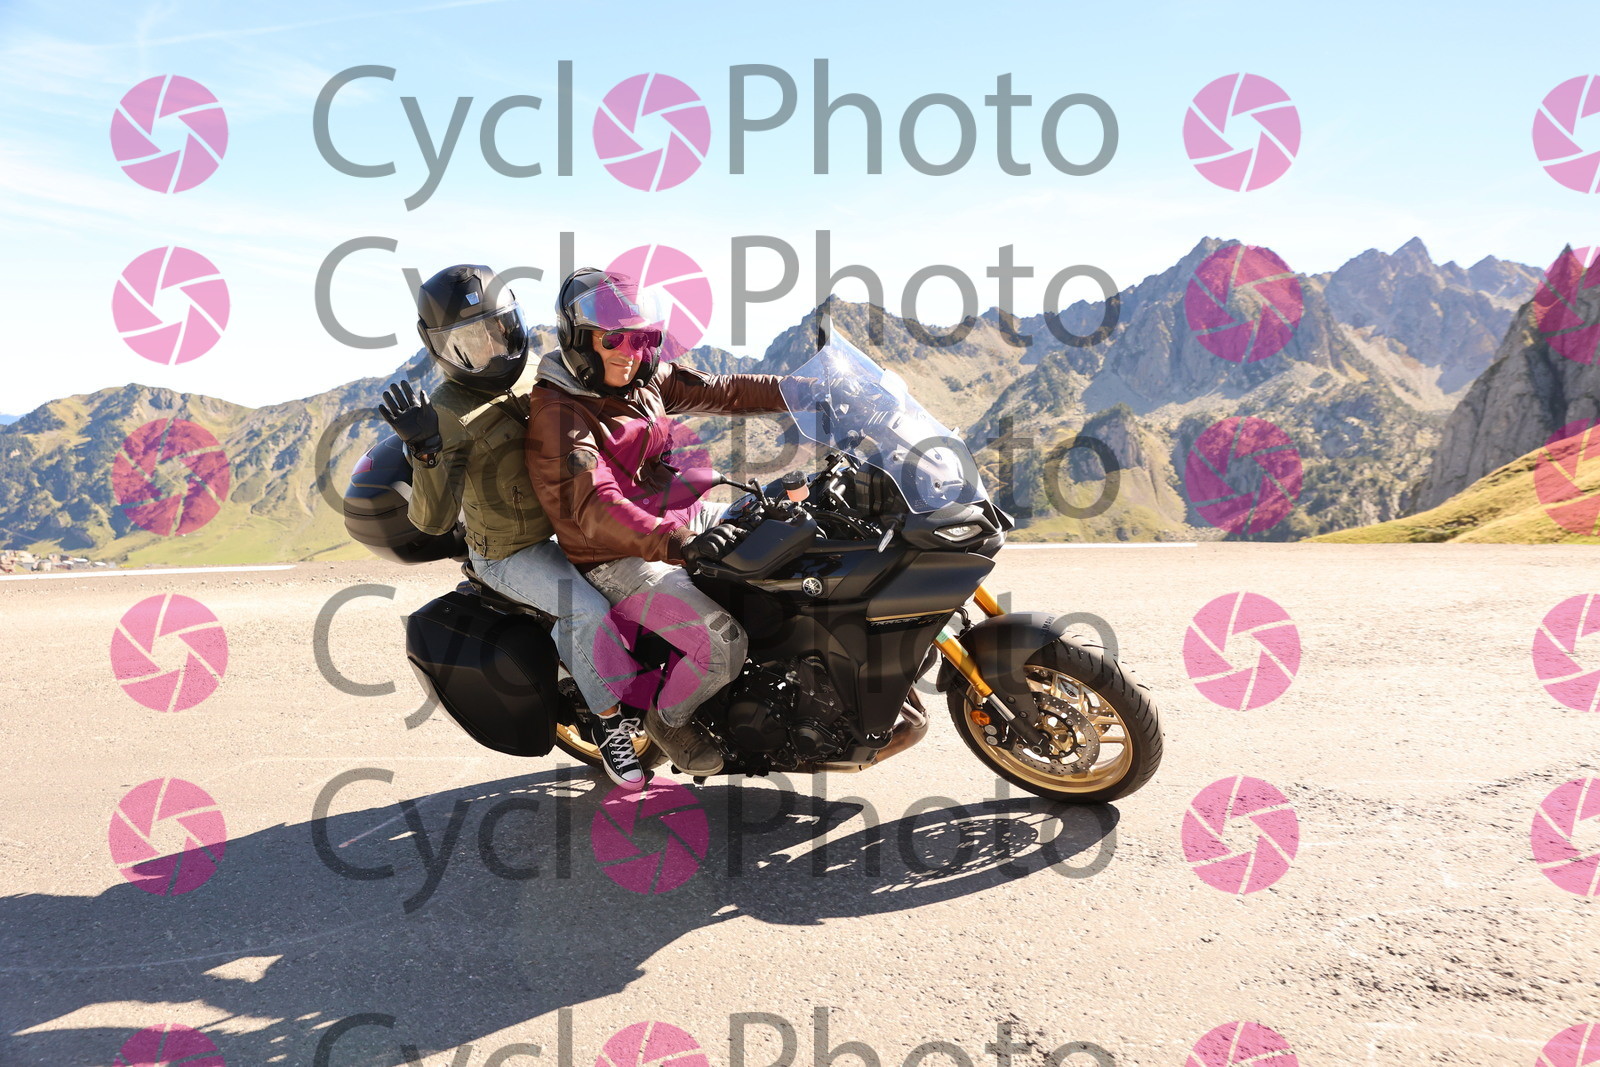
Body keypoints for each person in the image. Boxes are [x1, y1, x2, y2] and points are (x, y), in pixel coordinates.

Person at [376, 264, 649, 789]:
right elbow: (432, 520)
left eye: (497, 331)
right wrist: (425, 450)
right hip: (512, 553)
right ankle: (609, 723)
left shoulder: (537, 376)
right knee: (586, 610)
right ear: (440, 348)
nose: (490, 349)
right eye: (468, 342)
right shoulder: (446, 414)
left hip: (570, 525)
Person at [525, 268, 792, 777]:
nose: (630, 351)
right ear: (580, 341)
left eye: (643, 338)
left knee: (778, 532)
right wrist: (678, 541)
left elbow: (725, 391)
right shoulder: (559, 413)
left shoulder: (643, 378)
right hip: (614, 555)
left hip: (671, 522)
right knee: (722, 644)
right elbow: (596, 506)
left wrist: (806, 391)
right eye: (613, 339)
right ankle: (667, 719)